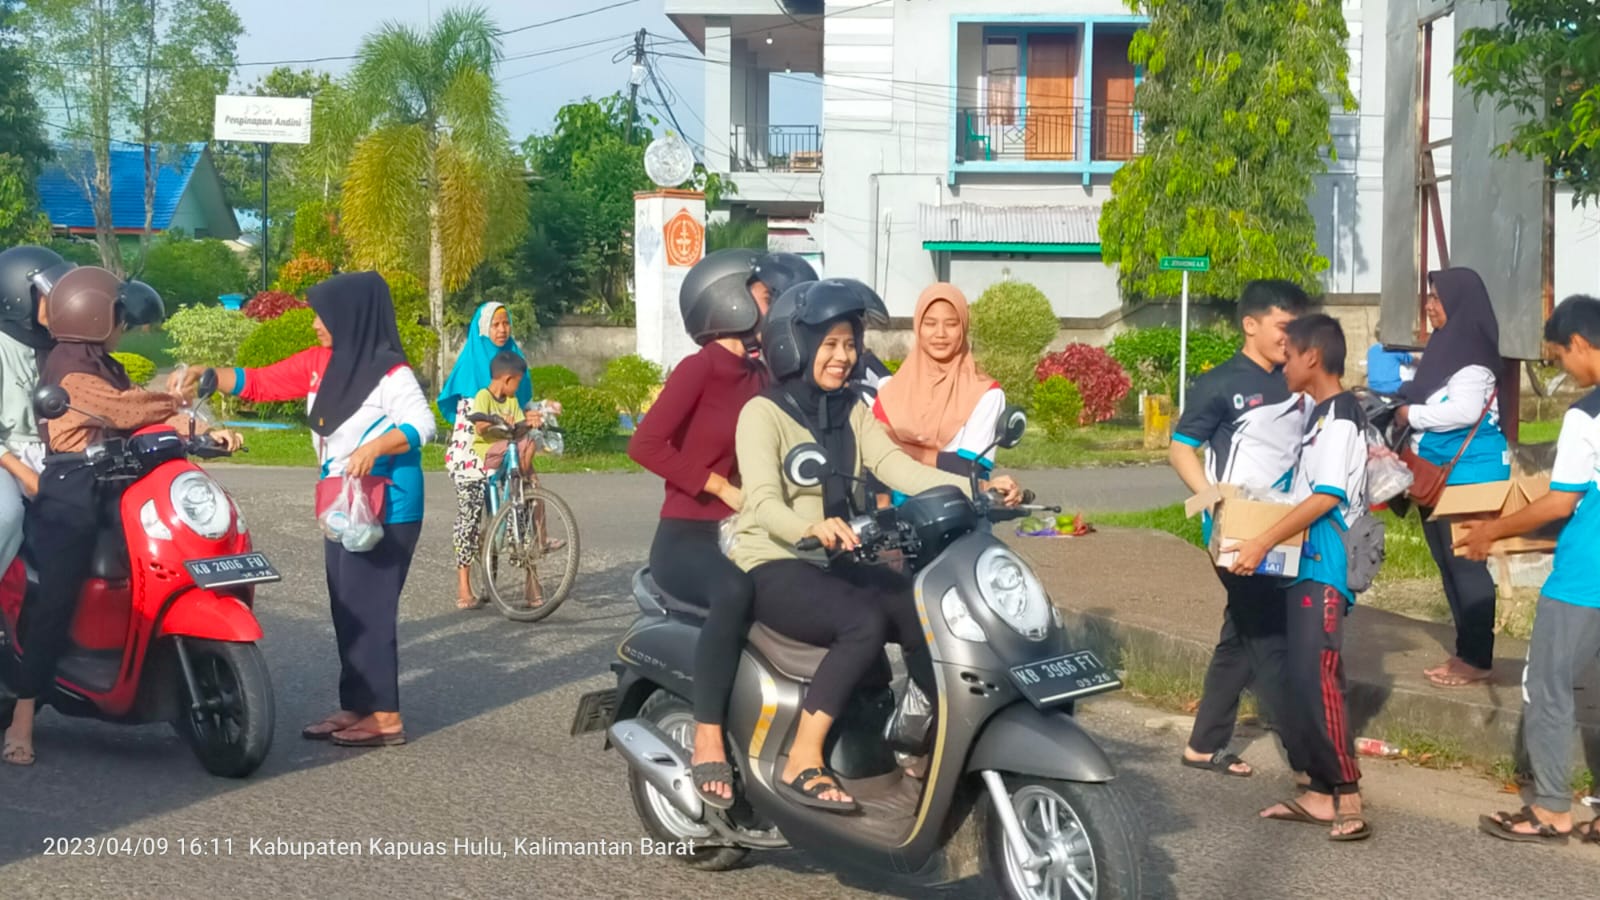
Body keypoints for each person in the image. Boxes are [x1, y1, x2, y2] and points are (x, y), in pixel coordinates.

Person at [728, 278, 1020, 813]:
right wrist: (808, 527)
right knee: (862, 622)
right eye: (830, 344)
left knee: (924, 611)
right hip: (775, 560)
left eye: (850, 344)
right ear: (796, 345)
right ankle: (803, 755)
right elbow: (762, 502)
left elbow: (898, 465)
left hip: (835, 557)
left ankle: (922, 739)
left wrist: (979, 486)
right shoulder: (762, 413)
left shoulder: (850, 412)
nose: (843, 357)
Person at [170, 271, 435, 748]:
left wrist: (376, 447)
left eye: (322, 315)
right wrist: (204, 374)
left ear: (351, 318)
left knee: (369, 608)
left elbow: (423, 424)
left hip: (386, 506)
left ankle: (386, 717)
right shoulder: (321, 363)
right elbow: (258, 382)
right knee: (345, 606)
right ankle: (358, 706)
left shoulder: (390, 373)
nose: (314, 323)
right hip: (343, 505)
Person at [3, 267, 241, 767]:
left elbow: (145, 413)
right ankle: (24, 717)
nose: (124, 326)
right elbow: (127, 410)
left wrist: (203, 428)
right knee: (59, 594)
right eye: (118, 316)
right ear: (92, 316)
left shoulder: (103, 363)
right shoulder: (69, 369)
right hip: (71, 492)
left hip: (114, 482)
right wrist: (174, 404)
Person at [627, 248, 770, 809]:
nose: (769, 298)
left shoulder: (761, 373)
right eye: (760, 290)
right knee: (734, 591)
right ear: (729, 298)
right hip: (688, 535)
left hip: (751, 530)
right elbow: (645, 444)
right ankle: (708, 732)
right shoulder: (701, 368)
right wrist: (717, 485)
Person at [1459, 295, 1600, 845]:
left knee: (1548, 686)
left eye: (1560, 356)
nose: (1562, 369)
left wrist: (1493, 530)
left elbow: (1561, 502)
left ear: (1581, 344)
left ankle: (1552, 810)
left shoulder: (1586, 415)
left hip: (1585, 577)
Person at [1169, 279, 1311, 779]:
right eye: (1281, 327)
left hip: (1284, 530)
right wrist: (1213, 502)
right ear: (1250, 325)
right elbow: (1180, 447)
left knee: (1242, 638)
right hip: (1237, 536)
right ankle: (1311, 761)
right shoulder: (1220, 383)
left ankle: (1203, 747)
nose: (1288, 337)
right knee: (1273, 642)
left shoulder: (1297, 380)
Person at [1237, 314, 1371, 842]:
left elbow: (1327, 496)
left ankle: (1349, 793)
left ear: (1312, 357)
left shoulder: (1339, 418)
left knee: (1320, 680)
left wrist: (1262, 540)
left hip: (1326, 567)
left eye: (1289, 354)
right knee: (1300, 681)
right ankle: (1318, 794)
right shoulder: (1319, 418)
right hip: (1303, 567)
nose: (1283, 363)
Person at [1394, 268, 1510, 687]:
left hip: (1471, 474)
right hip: (1437, 474)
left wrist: (1412, 414)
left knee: (1466, 564)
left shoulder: (1472, 353)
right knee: (1447, 562)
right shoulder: (1445, 346)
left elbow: (1464, 411)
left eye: (1437, 298)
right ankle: (1465, 652)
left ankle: (1478, 658)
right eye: (1429, 296)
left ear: (1460, 302)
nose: (1429, 305)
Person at [437, 301, 536, 610]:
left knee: (523, 506)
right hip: (472, 449)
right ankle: (464, 585)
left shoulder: (514, 361)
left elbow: (523, 404)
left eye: (506, 323)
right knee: (470, 515)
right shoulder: (469, 365)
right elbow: (472, 421)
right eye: (495, 324)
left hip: (503, 444)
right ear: (482, 328)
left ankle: (532, 582)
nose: (502, 329)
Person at [873, 283, 1005, 479]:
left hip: (954, 503)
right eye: (930, 323)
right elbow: (871, 457)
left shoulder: (985, 394)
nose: (940, 334)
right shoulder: (890, 389)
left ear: (964, 327)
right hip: (891, 505)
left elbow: (968, 467)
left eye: (951, 324)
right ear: (918, 326)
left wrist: (897, 447)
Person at [464, 350, 560, 609]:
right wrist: (498, 420)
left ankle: (532, 508)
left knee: (527, 447)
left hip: (512, 453)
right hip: (490, 452)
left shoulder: (512, 399)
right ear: (507, 379)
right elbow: (481, 427)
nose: (518, 386)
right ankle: (522, 481)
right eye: (517, 381)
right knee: (519, 448)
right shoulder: (484, 396)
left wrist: (530, 421)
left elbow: (518, 426)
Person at [0, 246, 70, 573]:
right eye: (47, 293)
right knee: (6, 514)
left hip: (50, 454)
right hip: (7, 455)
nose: (59, 301)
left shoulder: (58, 346)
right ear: (18, 295)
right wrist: (27, 474)